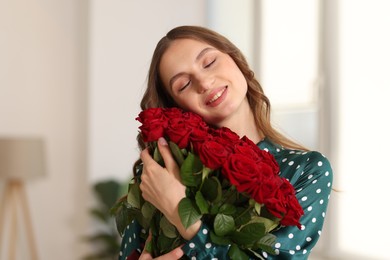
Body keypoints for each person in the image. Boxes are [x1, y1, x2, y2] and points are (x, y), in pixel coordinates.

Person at [118, 25, 333, 259]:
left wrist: (180, 213)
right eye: (184, 85)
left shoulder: (307, 169)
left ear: (235, 58)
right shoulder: (162, 171)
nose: (204, 83)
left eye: (209, 62)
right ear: (177, 106)